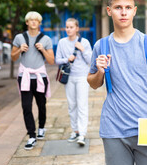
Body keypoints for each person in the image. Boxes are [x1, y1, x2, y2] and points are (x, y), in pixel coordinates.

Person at [87, 0, 147, 165]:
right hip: (113, 129)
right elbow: (93, 83)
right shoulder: (101, 46)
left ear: (134, 11)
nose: (123, 12)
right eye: (118, 8)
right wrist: (99, 71)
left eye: (127, 7)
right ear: (109, 11)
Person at [11, 11, 54, 150]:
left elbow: (51, 61)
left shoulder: (45, 39)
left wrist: (43, 50)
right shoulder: (19, 37)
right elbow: (13, 57)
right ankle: (31, 135)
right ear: (27, 22)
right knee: (26, 107)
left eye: (36, 20)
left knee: (42, 105)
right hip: (25, 77)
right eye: (31, 20)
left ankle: (41, 127)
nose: (34, 22)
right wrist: (19, 51)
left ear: (39, 23)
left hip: (40, 77)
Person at [55, 18, 92, 146]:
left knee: (82, 105)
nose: (69, 29)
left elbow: (90, 60)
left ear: (77, 28)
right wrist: (67, 59)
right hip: (69, 77)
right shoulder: (61, 42)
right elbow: (57, 60)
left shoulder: (84, 42)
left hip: (82, 77)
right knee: (72, 105)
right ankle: (75, 131)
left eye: (71, 27)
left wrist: (82, 49)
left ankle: (82, 134)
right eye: (67, 27)